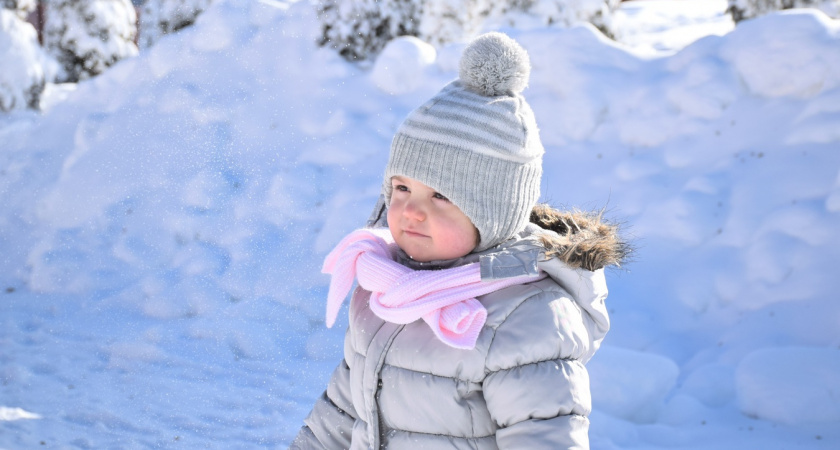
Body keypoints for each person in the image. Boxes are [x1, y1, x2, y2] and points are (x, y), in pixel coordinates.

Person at [291, 31, 626, 450]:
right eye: (401, 188)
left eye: (441, 196)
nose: (412, 210)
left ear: (493, 214)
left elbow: (544, 437)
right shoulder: (387, 287)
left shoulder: (525, 316)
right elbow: (341, 412)